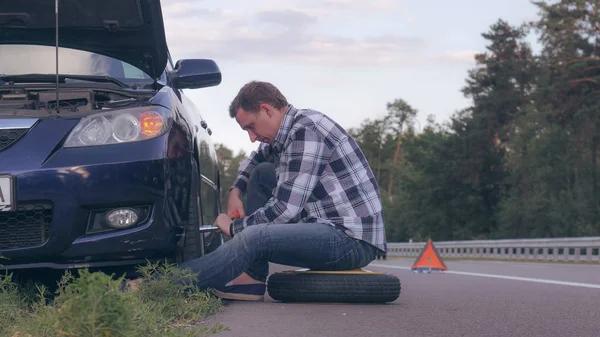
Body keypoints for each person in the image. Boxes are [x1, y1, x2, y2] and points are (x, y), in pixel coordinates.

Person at [132, 81, 387, 301]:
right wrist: (235, 191)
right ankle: (252, 279)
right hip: (330, 229)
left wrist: (234, 228)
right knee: (263, 173)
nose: (252, 138)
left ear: (267, 109)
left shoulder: (305, 131)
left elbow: (285, 211)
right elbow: (254, 160)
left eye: (251, 127)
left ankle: (158, 286)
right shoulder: (285, 133)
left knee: (254, 238)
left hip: (350, 240)